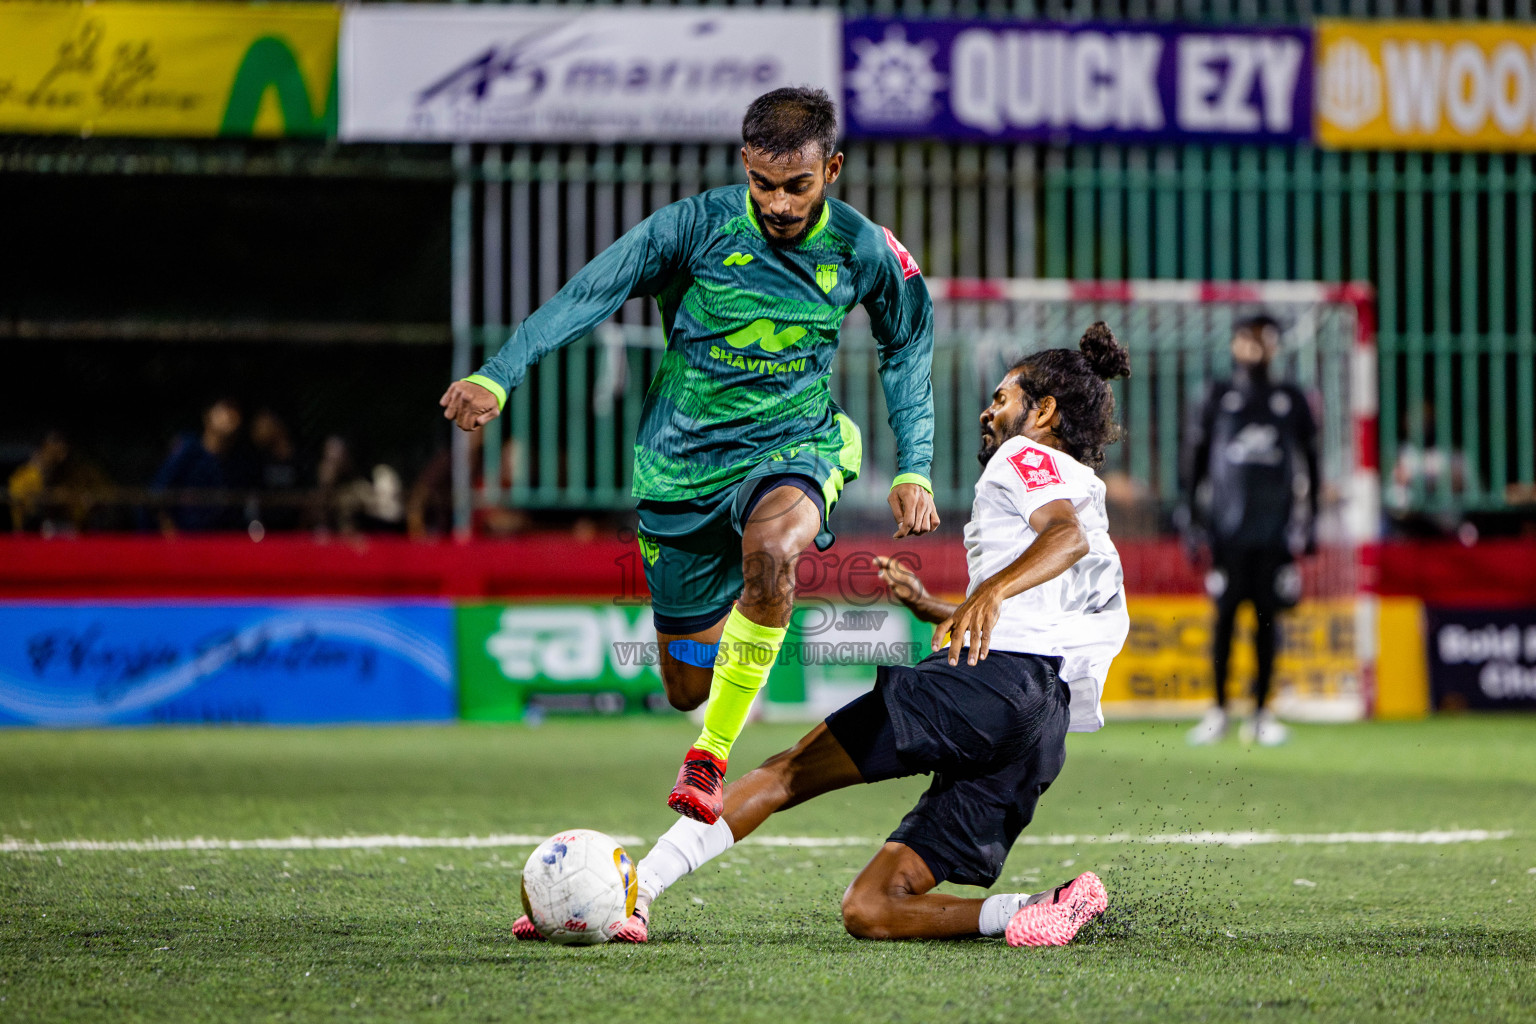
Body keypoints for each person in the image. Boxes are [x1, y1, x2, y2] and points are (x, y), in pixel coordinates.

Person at [513, 324, 1132, 947]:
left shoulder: (1025, 458)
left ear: (1044, 410)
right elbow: (1052, 605)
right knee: (871, 908)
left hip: (991, 689)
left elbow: (1062, 538)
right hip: (1041, 721)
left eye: (1002, 397)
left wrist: (989, 593)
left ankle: (636, 893)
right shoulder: (1087, 492)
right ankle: (1038, 908)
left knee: (786, 772)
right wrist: (936, 604)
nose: (988, 410)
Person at [439, 88, 939, 821]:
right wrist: (499, 372)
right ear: (744, 164)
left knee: (771, 552)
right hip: (680, 471)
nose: (778, 203)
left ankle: (708, 759)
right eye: (763, 184)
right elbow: (591, 291)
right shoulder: (694, 228)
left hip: (794, 447)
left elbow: (907, 345)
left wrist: (914, 465)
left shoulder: (863, 248)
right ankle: (741, 629)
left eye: (797, 185)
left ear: (830, 169)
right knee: (685, 683)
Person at [1180, 316, 1320, 747]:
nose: (1256, 345)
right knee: (1223, 621)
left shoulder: (1290, 398)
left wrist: (1309, 520)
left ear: (1276, 344)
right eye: (1248, 336)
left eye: (1265, 336)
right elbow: (1193, 461)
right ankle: (1218, 710)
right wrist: (1189, 518)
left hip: (1274, 536)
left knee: (1267, 623)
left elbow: (1312, 464)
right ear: (1235, 343)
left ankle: (1262, 713)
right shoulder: (1217, 395)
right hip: (1226, 535)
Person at [149, 397, 251, 533]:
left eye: (233, 410)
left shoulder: (238, 459)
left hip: (220, 541)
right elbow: (157, 494)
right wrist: (171, 535)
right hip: (185, 540)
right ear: (207, 416)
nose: (229, 416)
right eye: (223, 410)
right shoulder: (188, 449)